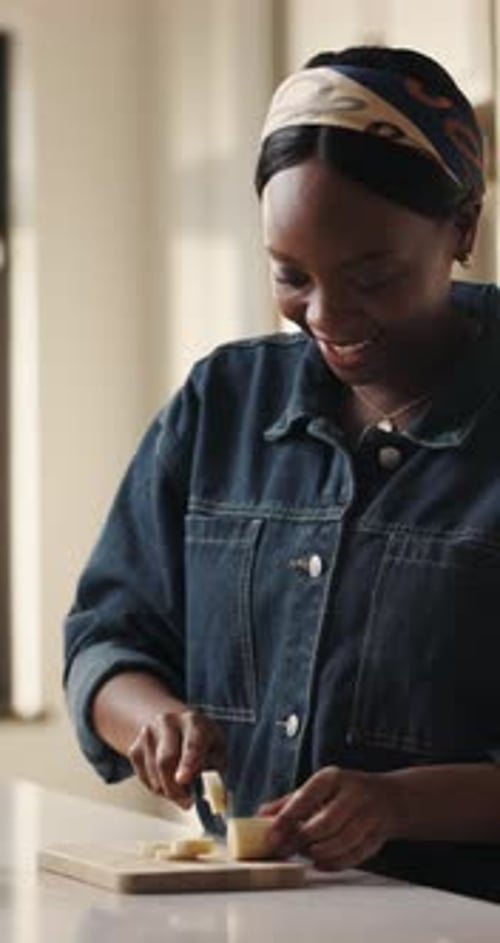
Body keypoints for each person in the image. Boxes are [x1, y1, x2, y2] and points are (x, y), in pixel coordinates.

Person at [64, 44, 500, 902]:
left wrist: (400, 804)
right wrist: (151, 718)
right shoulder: (221, 403)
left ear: (462, 228)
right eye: (291, 276)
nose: (328, 317)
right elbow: (104, 640)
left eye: (371, 274)